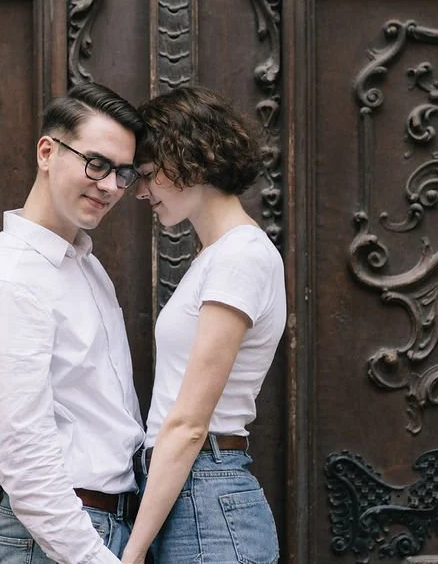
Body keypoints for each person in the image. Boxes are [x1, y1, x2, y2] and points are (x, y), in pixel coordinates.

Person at [0, 82, 146, 564]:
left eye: (123, 173)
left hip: (112, 527)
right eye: (96, 163)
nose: (110, 186)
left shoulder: (86, 267)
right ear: (47, 152)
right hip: (60, 542)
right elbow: (23, 456)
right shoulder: (10, 282)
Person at [121, 87, 286, 564]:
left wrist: (131, 554)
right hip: (193, 494)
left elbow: (191, 424)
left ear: (190, 159)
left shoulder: (239, 257)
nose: (140, 191)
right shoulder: (218, 257)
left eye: (148, 175)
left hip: (207, 497)